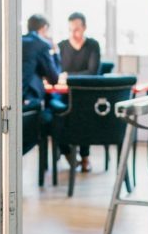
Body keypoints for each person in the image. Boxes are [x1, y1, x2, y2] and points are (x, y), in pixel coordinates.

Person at [58, 11, 101, 170]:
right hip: (64, 94)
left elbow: (92, 72)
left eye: (76, 29)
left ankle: (84, 157)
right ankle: (67, 152)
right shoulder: (62, 46)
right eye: (70, 30)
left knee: (84, 113)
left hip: (85, 94)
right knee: (56, 113)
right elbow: (56, 72)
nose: (73, 33)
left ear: (84, 28)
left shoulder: (92, 45)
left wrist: (68, 76)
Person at [21, 15, 63, 155]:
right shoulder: (41, 44)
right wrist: (55, 52)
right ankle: (63, 150)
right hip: (30, 107)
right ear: (44, 28)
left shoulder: (18, 41)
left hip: (13, 101)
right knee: (54, 109)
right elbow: (54, 78)